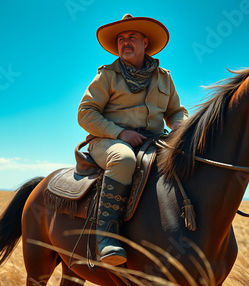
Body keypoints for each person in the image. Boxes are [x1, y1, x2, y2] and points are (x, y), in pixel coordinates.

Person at [77, 14, 188, 266]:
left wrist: (181, 125)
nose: (125, 42)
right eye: (121, 39)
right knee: (124, 158)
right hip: (108, 141)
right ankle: (105, 238)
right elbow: (85, 113)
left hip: (154, 141)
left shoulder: (164, 77)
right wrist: (120, 133)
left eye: (132, 37)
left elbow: (175, 111)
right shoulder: (107, 75)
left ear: (145, 42)